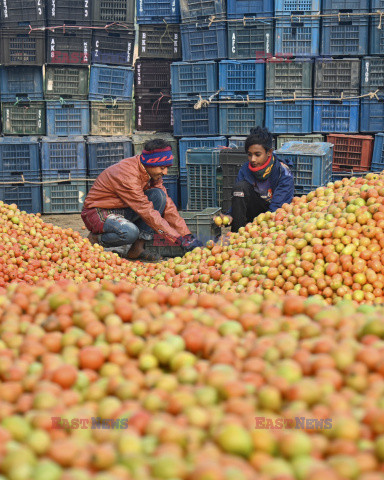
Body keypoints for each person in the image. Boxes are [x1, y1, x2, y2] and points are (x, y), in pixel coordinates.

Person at [81, 139, 203, 261]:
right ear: (151, 163)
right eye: (162, 167)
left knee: (159, 196)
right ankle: (96, 239)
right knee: (129, 232)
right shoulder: (128, 175)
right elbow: (147, 211)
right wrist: (177, 239)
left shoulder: (150, 172)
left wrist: (186, 235)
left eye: (166, 168)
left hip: (122, 208)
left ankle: (136, 249)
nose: (165, 172)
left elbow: (168, 206)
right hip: (97, 212)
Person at [219, 126, 295, 233]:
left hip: (274, 218)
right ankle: (237, 235)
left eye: (257, 155)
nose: (252, 159)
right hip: (253, 215)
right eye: (249, 155)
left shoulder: (282, 172)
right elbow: (238, 198)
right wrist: (230, 215)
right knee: (240, 188)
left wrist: (260, 228)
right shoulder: (245, 169)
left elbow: (277, 207)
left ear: (269, 152)